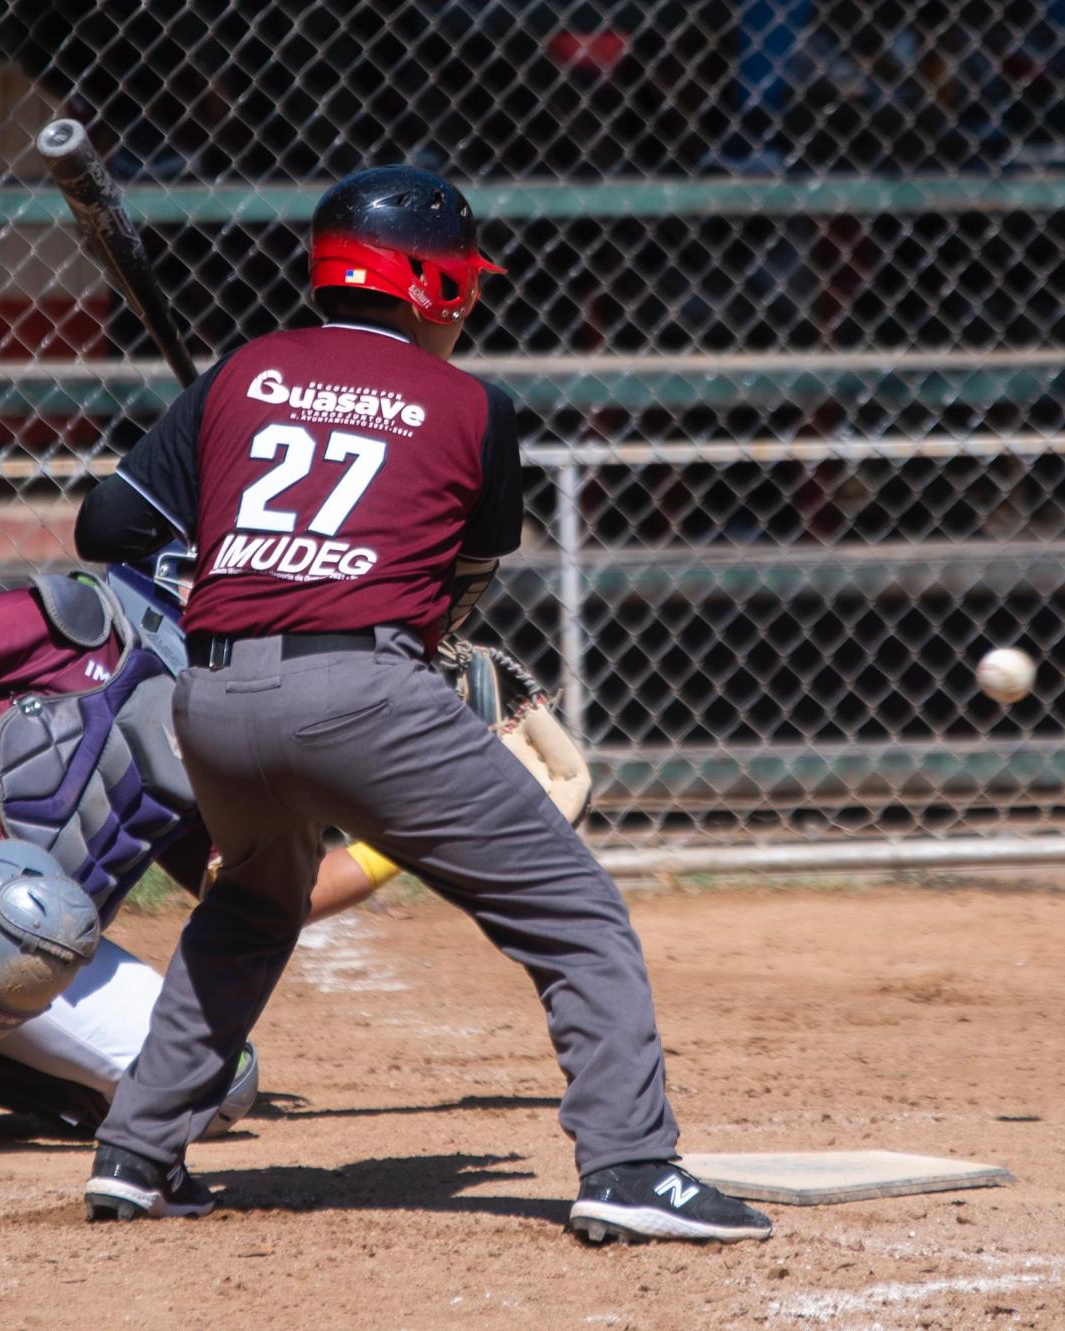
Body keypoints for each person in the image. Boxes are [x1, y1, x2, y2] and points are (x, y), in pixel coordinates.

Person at [69, 164, 775, 1245]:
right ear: (432, 287)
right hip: (360, 691)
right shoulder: (474, 407)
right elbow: (461, 578)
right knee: (575, 917)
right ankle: (629, 1163)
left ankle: (136, 1151)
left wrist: (223, 536)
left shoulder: (241, 372)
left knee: (254, 904)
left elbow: (106, 527)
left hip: (209, 697)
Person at [0, 553, 397, 1149]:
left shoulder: (207, 720)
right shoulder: (83, 624)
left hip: (21, 937)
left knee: (210, 1081)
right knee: (34, 902)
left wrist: (412, 832)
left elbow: (267, 891)